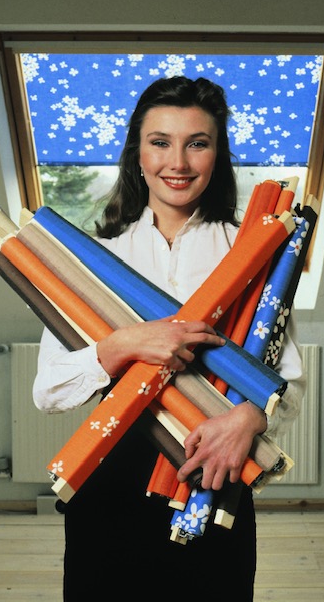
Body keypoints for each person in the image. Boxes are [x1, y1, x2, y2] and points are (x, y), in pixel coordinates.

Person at [33, 76, 305, 601]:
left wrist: (249, 419)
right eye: (160, 142)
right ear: (137, 153)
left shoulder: (255, 254)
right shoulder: (90, 259)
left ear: (217, 156)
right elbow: (48, 391)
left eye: (197, 143)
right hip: (110, 473)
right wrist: (123, 345)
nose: (177, 162)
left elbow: (287, 383)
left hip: (214, 477)